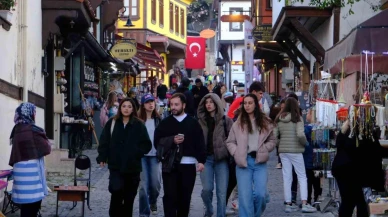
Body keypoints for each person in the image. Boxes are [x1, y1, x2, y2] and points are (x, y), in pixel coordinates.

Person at [97, 98, 152, 217]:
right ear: (120, 108)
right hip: (116, 165)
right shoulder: (112, 122)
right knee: (116, 191)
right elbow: (104, 141)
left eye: (129, 107)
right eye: (124, 106)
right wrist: (102, 157)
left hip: (132, 167)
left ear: (133, 109)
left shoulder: (139, 125)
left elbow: (146, 144)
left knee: (129, 197)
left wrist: (136, 152)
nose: (126, 109)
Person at [154, 93, 206, 217]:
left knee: (185, 198)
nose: (173, 107)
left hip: (188, 165)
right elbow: (157, 141)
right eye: (171, 105)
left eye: (176, 104)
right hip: (169, 165)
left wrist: (201, 161)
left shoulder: (192, 123)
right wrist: (172, 140)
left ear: (184, 105)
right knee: (170, 197)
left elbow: (200, 142)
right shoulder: (165, 123)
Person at [226, 94, 277, 217]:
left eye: (250, 103)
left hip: (259, 162)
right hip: (243, 162)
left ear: (256, 105)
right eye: (245, 103)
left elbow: (273, 140)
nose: (247, 106)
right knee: (245, 196)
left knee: (261, 194)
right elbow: (230, 142)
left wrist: (265, 148)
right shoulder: (238, 123)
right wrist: (236, 153)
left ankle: (255, 214)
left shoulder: (265, 122)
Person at [274, 97, 317, 213]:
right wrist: (305, 144)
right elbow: (300, 134)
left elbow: (274, 136)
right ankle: (304, 203)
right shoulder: (297, 118)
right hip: (296, 151)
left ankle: (288, 204)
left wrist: (280, 144)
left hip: (283, 151)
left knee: (287, 177)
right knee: (302, 176)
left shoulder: (279, 118)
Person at [9, 102, 51, 217]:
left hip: (20, 174)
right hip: (32, 175)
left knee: (25, 209)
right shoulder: (33, 130)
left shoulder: (16, 130)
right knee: (33, 207)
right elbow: (47, 148)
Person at [197, 93, 233, 217]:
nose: (209, 105)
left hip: (222, 160)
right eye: (206, 102)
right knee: (207, 189)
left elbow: (232, 139)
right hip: (206, 159)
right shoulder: (200, 122)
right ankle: (209, 209)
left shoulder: (226, 121)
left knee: (222, 193)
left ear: (217, 104)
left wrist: (227, 150)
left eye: (211, 102)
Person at [137, 94, 162, 216]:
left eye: (152, 102)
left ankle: (153, 201)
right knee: (143, 186)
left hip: (155, 155)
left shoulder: (159, 120)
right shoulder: (138, 121)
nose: (151, 104)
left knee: (155, 184)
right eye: (147, 102)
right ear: (143, 105)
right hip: (141, 156)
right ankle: (144, 213)